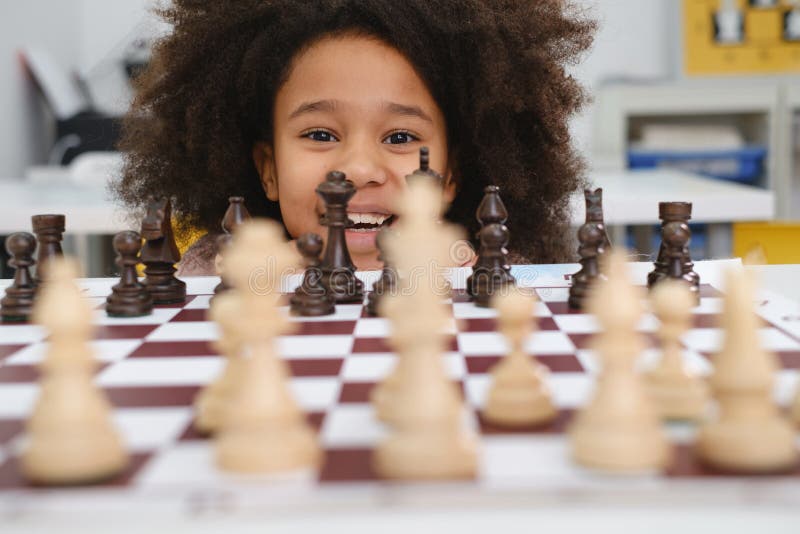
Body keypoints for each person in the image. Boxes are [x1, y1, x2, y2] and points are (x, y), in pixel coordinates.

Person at [113, 0, 595, 274]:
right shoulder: (217, 271)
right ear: (268, 170)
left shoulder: (501, 270)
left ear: (451, 177)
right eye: (321, 133)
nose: (359, 169)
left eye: (401, 136)